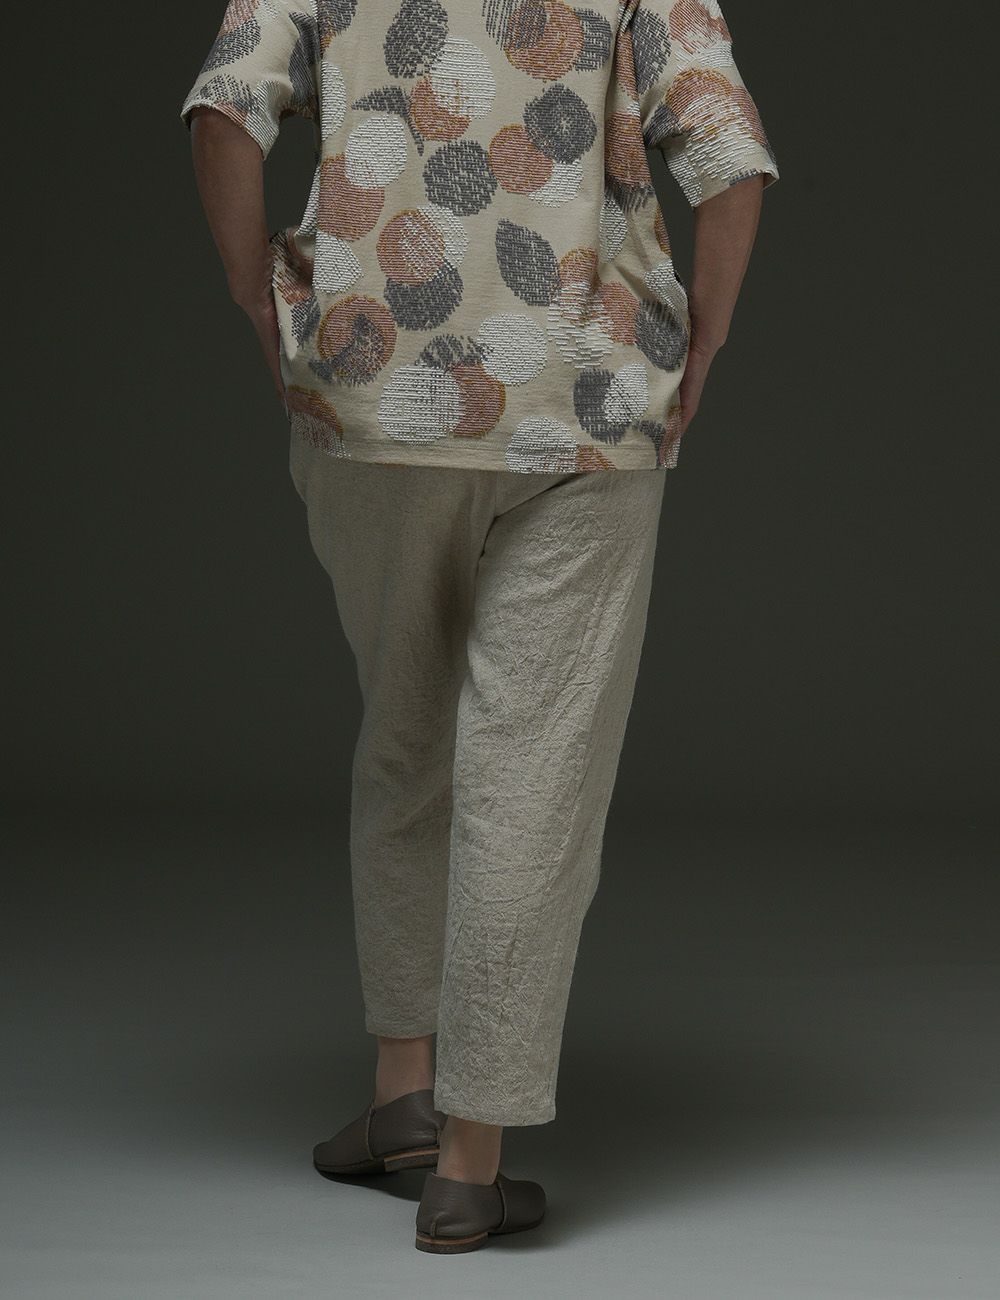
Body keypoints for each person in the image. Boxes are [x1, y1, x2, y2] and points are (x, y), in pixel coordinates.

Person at [180, 0, 779, 1255]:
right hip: (584, 399)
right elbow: (726, 155)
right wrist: (709, 335)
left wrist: (252, 293)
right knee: (530, 776)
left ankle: (401, 1086)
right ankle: (467, 1160)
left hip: (370, 392)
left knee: (405, 734)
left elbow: (227, 109)